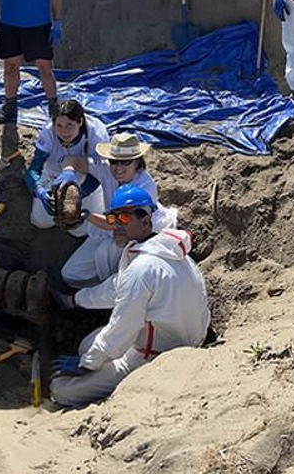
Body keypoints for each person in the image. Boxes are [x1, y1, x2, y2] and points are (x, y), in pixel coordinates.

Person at [50, 184, 210, 409]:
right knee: (88, 344)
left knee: (61, 390)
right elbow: (116, 288)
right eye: (113, 219)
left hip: (158, 357)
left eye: (124, 218)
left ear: (146, 220)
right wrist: (75, 300)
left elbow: (124, 325)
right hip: (183, 338)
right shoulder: (168, 251)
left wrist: (86, 365)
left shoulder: (142, 267)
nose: (116, 225)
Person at [59, 132, 161, 287]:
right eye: (114, 161)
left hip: (135, 234)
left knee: (119, 260)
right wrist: (68, 173)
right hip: (110, 227)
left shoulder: (143, 187)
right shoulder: (107, 170)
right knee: (70, 274)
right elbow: (71, 160)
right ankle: (103, 288)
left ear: (137, 162)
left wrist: (84, 214)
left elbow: (121, 225)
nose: (118, 167)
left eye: (126, 162)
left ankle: (110, 291)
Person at [27, 99, 111, 229]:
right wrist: (40, 191)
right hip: (53, 177)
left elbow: (101, 172)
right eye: (59, 125)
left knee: (80, 229)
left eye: (69, 125)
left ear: (80, 121)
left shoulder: (96, 133)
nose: (64, 131)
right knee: (40, 221)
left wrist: (78, 195)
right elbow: (34, 169)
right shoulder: (48, 131)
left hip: (84, 178)